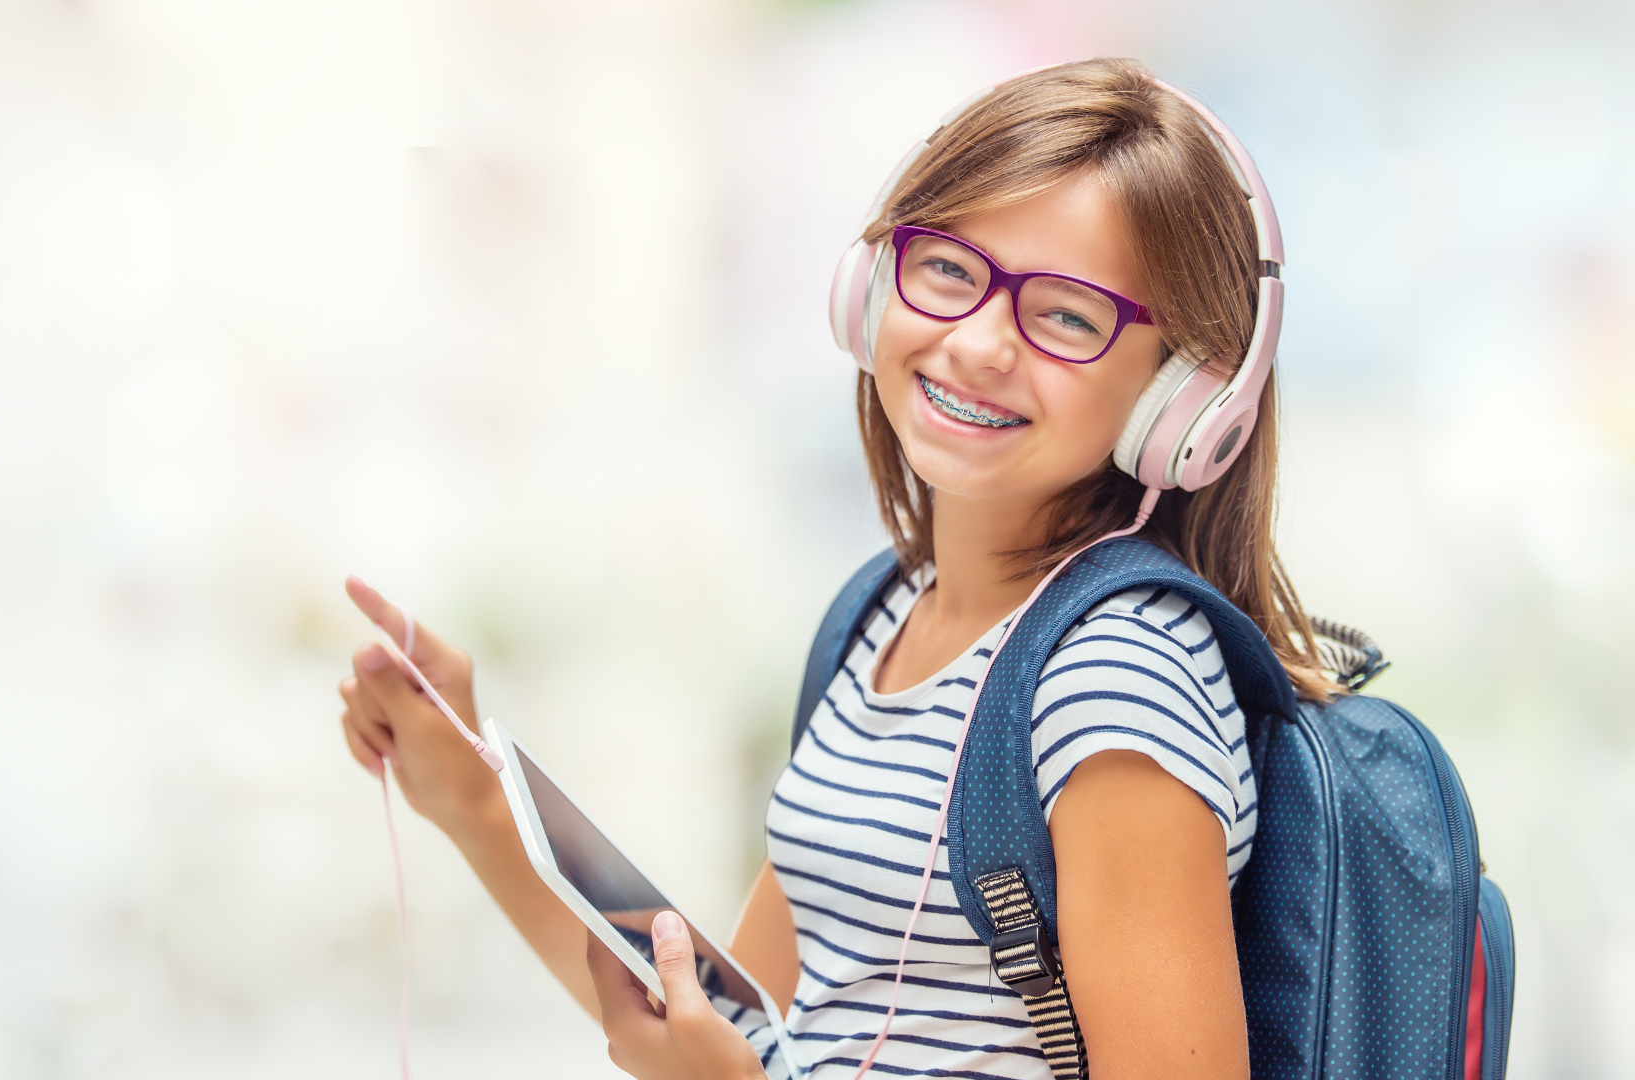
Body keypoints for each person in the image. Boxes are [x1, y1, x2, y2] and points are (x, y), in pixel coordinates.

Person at [338, 57, 1337, 1080]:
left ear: (1183, 400)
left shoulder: (1115, 680)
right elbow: (752, 1031)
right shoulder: (882, 619)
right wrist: (471, 797)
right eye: (949, 270)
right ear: (872, 288)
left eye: (1067, 317)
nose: (981, 343)